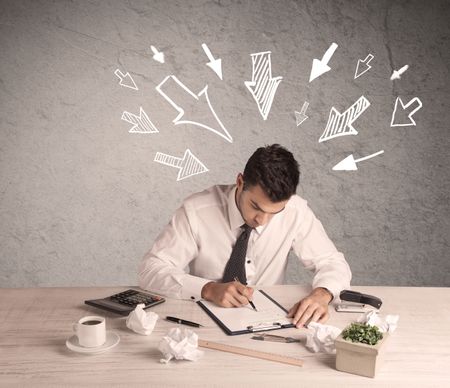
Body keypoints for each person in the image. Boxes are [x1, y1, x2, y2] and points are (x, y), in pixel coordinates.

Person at [139, 144, 351, 328]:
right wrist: (208, 289)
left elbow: (333, 262)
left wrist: (321, 295)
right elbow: (150, 269)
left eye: (274, 212)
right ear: (240, 181)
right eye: (256, 207)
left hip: (270, 322)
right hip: (204, 321)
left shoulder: (296, 211)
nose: (262, 220)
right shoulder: (196, 210)